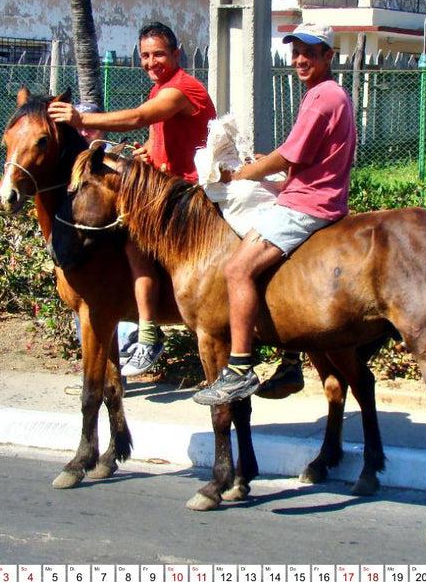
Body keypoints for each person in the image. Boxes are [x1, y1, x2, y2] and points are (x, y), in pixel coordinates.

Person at [193, 23, 356, 406]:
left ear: (328, 57)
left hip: (308, 203)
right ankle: (290, 357)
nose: (300, 59)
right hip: (312, 194)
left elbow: (287, 155)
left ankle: (238, 368)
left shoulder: (321, 98)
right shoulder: (329, 94)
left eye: (310, 53)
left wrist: (238, 173)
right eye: (295, 51)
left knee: (237, 269)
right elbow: (299, 156)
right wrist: (270, 172)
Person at [49, 22, 216, 378]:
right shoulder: (160, 89)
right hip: (168, 187)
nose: (151, 61)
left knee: (133, 241)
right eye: (145, 55)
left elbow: (140, 117)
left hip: (190, 193)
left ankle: (149, 332)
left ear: (176, 52)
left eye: (158, 54)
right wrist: (148, 152)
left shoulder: (183, 88)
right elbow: (162, 136)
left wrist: (81, 118)